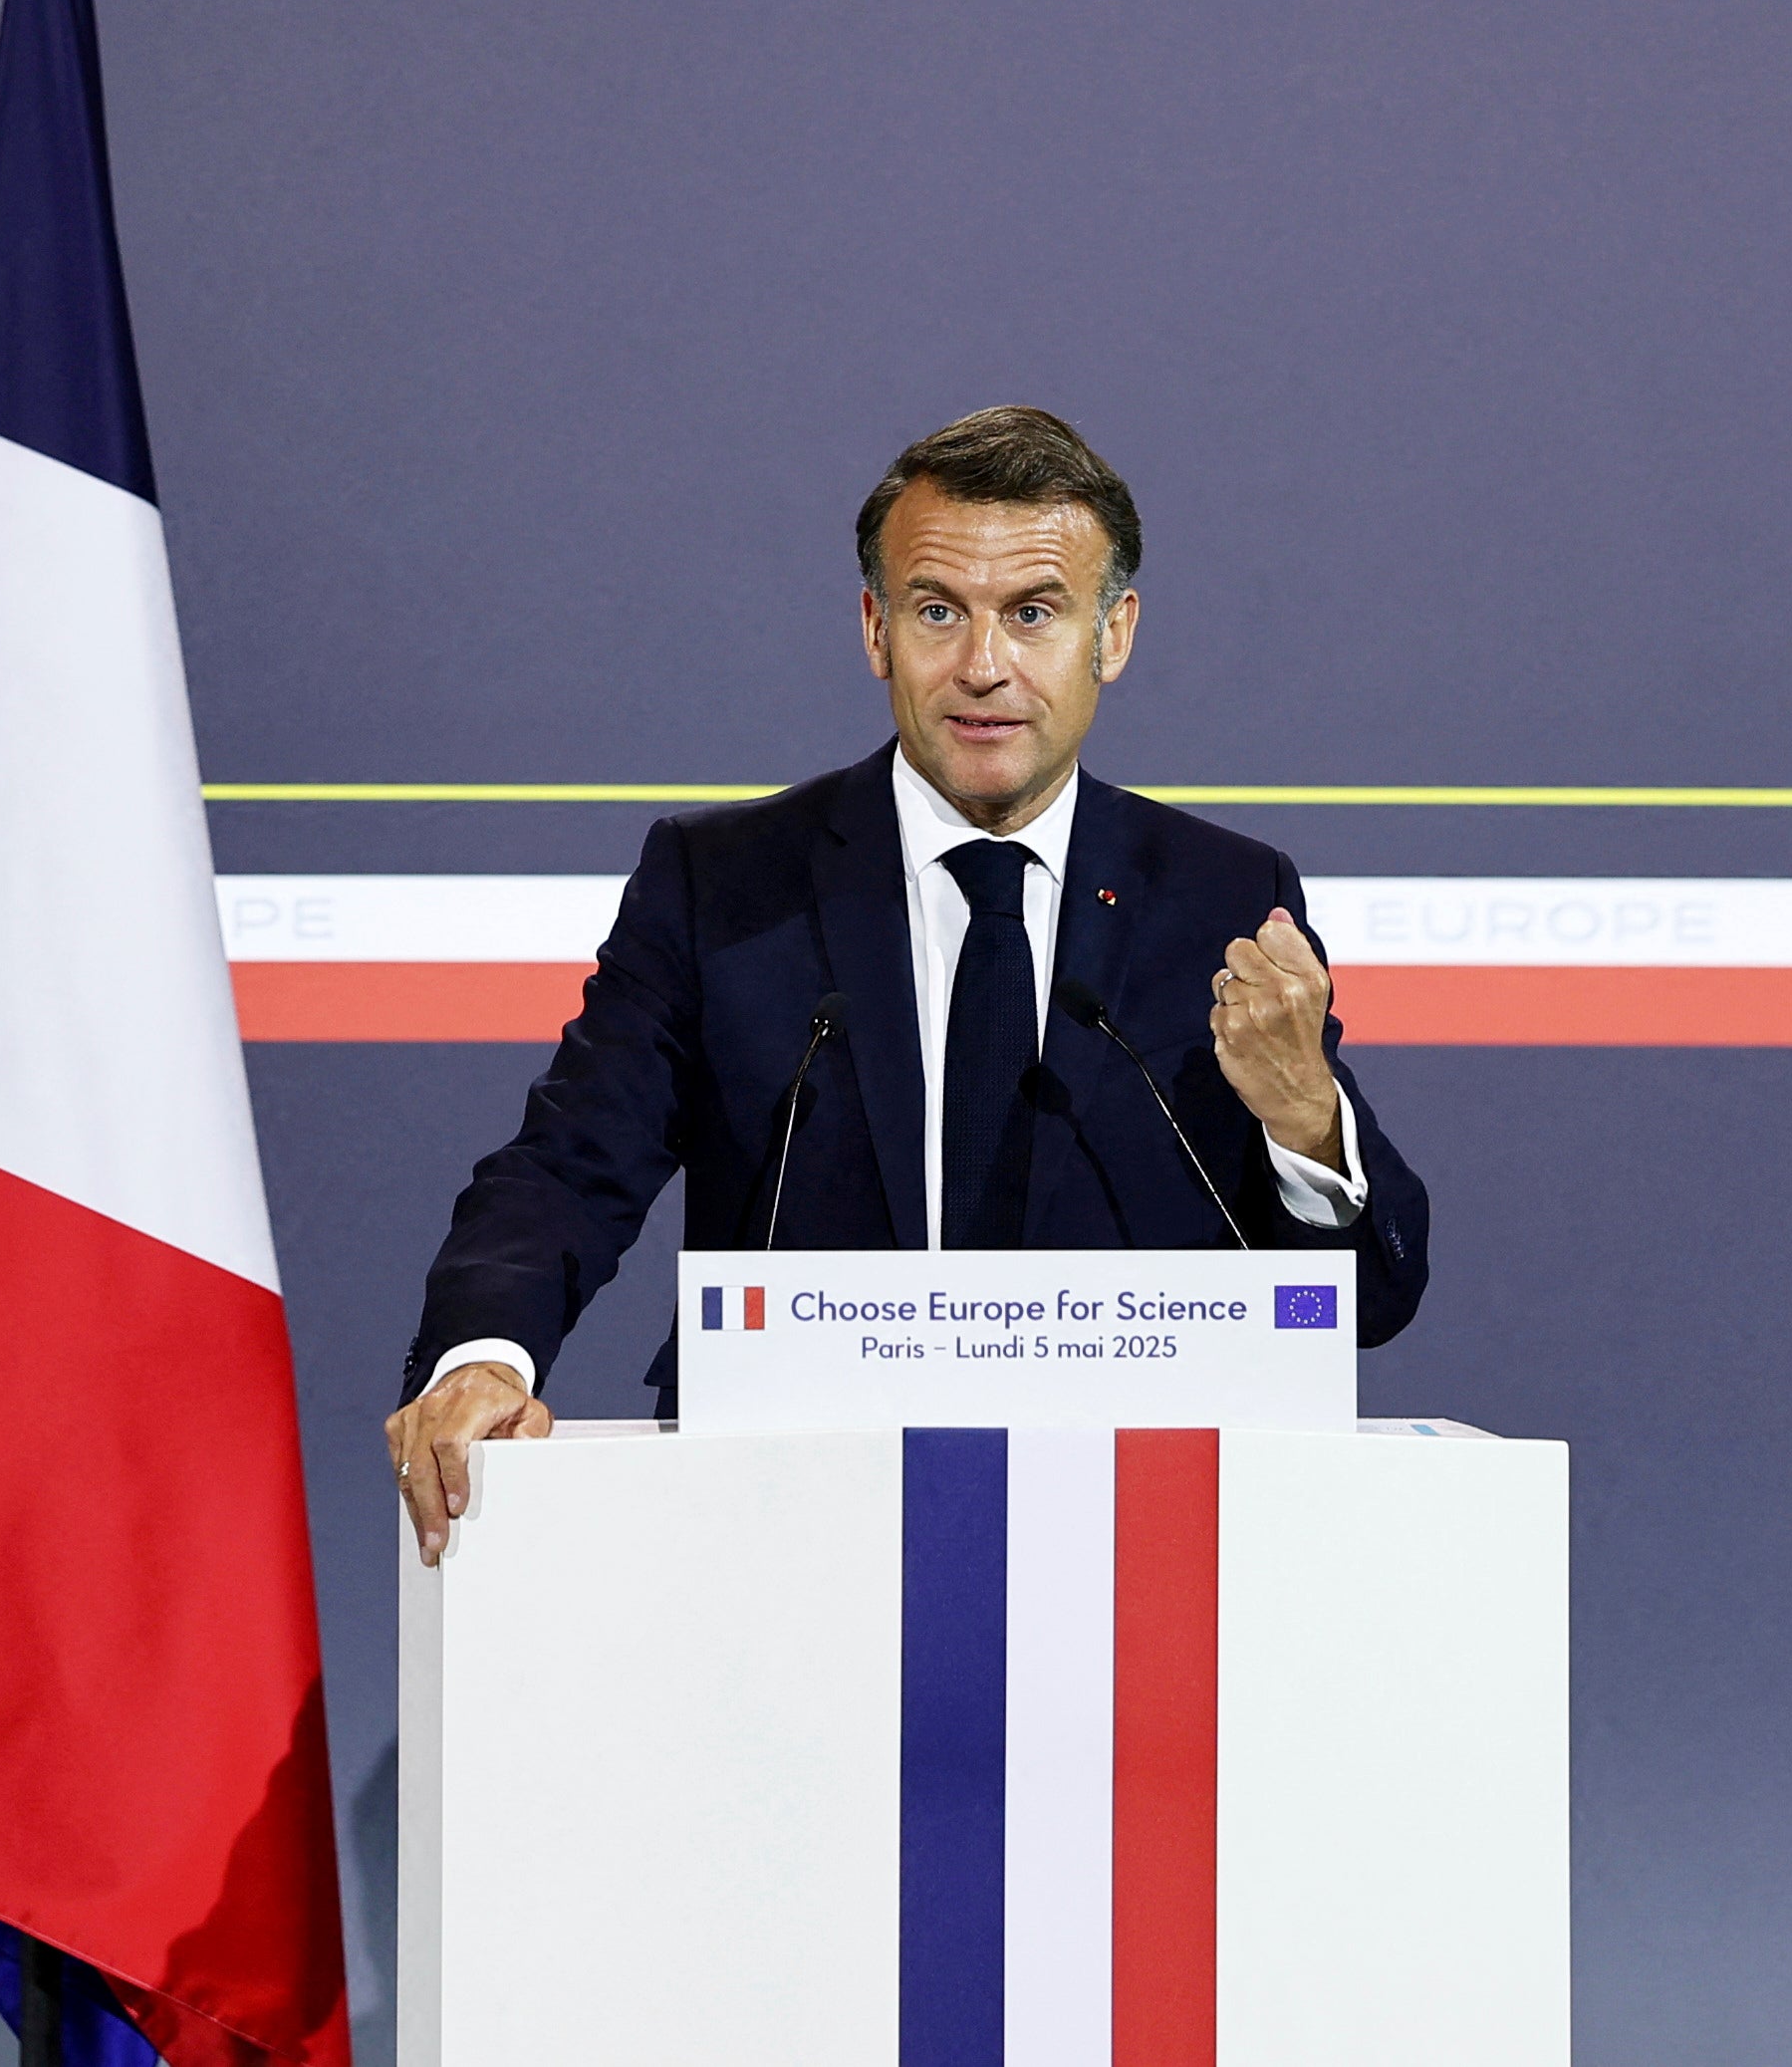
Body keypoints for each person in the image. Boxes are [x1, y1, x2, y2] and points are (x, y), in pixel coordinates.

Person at [386, 403, 1430, 1559]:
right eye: (940, 611)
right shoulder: (728, 884)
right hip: (784, 1529)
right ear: (877, 629)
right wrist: (483, 1356)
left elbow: (1371, 1308)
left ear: (1113, 634)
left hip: (1127, 1550)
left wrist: (1304, 1119)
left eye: (1034, 613)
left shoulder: (1220, 897)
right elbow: (570, 1164)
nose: (984, 668)